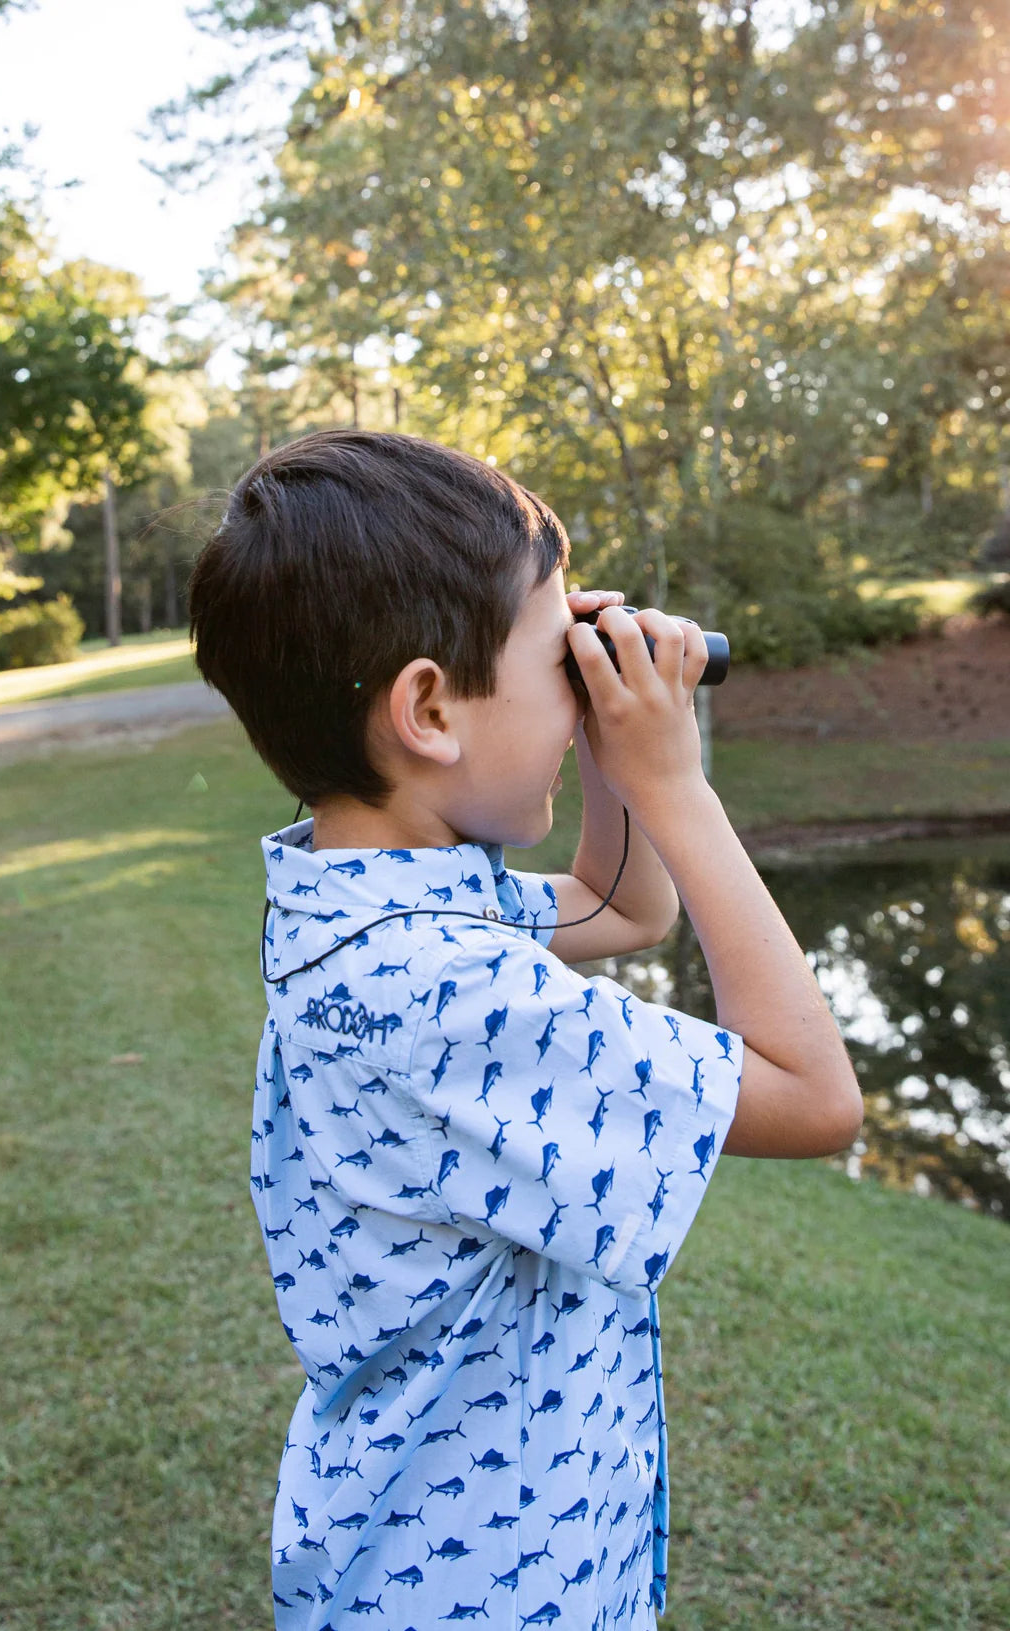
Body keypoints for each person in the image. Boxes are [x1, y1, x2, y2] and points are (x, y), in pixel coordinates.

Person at [188, 428, 862, 1631]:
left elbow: (625, 907)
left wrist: (612, 760)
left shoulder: (369, 907)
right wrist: (675, 784)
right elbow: (816, 1096)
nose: (583, 691)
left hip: (432, 1542)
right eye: (561, 660)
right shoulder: (443, 993)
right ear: (430, 708)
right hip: (480, 1585)